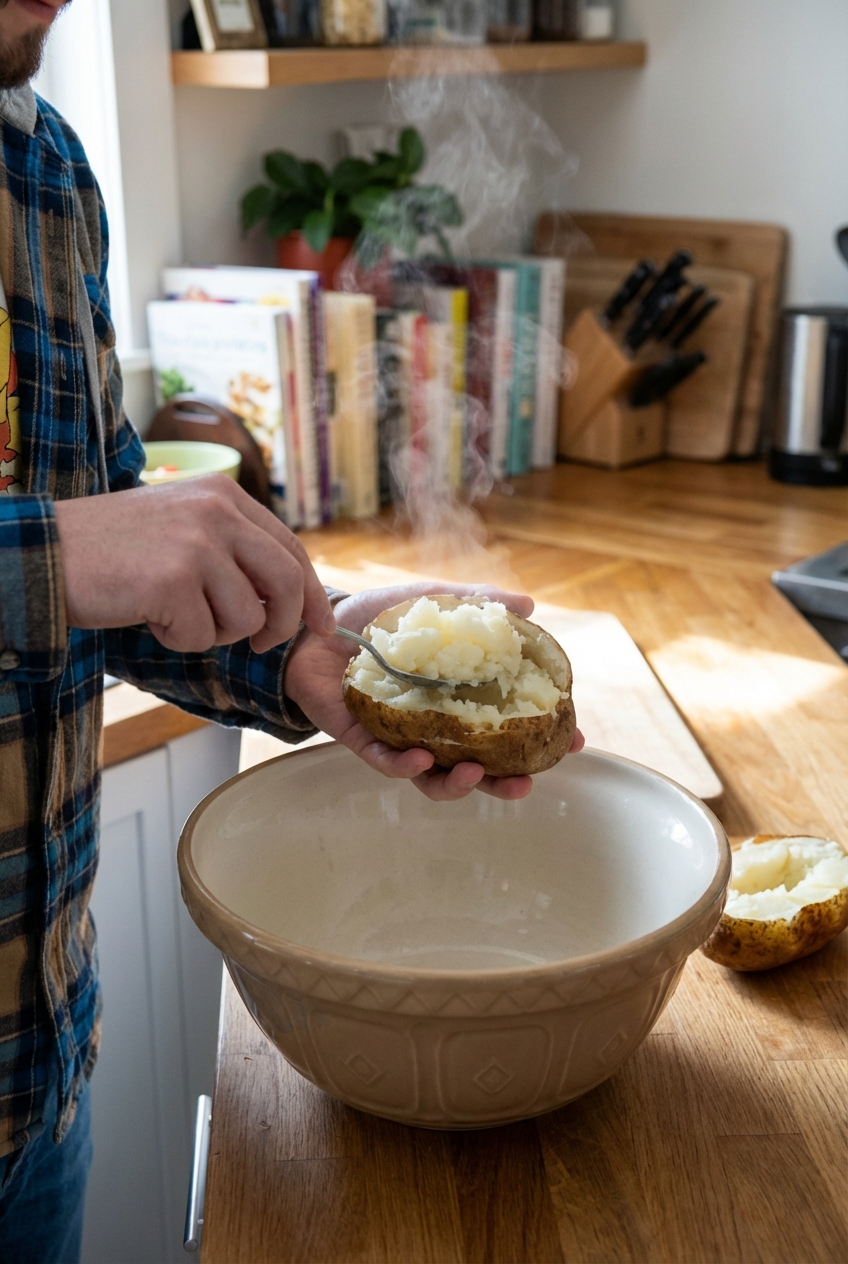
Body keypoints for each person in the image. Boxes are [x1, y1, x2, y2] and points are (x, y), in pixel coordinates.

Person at [0, 2, 583, 1260]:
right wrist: (49, 549)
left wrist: (298, 652)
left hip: (29, 1069)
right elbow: (67, 557)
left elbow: (107, 589)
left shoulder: (40, 166)